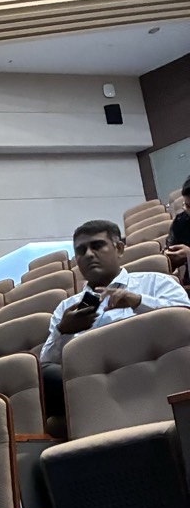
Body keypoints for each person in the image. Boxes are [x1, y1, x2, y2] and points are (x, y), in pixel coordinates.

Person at [39, 219, 190, 419]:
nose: (89, 254)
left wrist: (138, 302)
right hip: (98, 388)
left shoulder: (155, 282)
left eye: (97, 246)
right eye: (81, 251)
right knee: (44, 374)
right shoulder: (67, 308)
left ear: (119, 248)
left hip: (156, 373)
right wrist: (63, 331)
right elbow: (47, 363)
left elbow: (185, 320)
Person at [165, 177, 190, 277]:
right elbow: (169, 248)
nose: (187, 210)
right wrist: (169, 257)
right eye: (187, 205)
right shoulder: (181, 222)